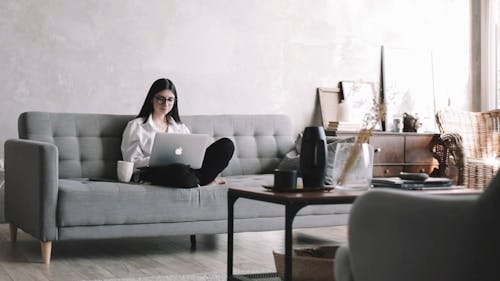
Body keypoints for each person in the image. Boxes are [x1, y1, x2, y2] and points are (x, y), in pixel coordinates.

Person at [121, 78, 234, 187]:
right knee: (179, 171)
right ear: (151, 99)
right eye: (161, 98)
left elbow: (191, 155)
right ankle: (200, 181)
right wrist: (157, 160)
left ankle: (196, 181)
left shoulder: (180, 127)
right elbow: (131, 162)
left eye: (170, 99)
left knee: (226, 145)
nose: (165, 104)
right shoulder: (136, 126)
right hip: (153, 172)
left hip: (185, 170)